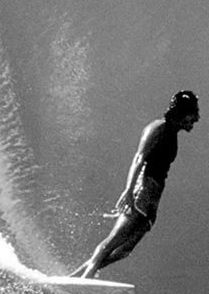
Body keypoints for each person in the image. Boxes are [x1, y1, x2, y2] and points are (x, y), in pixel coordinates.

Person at [69, 90, 200, 278]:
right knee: (113, 241)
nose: (195, 119)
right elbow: (139, 158)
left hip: (153, 198)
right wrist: (129, 190)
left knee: (124, 250)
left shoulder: (172, 133)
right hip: (143, 191)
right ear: (180, 112)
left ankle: (74, 279)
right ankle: (85, 280)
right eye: (192, 114)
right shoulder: (158, 128)